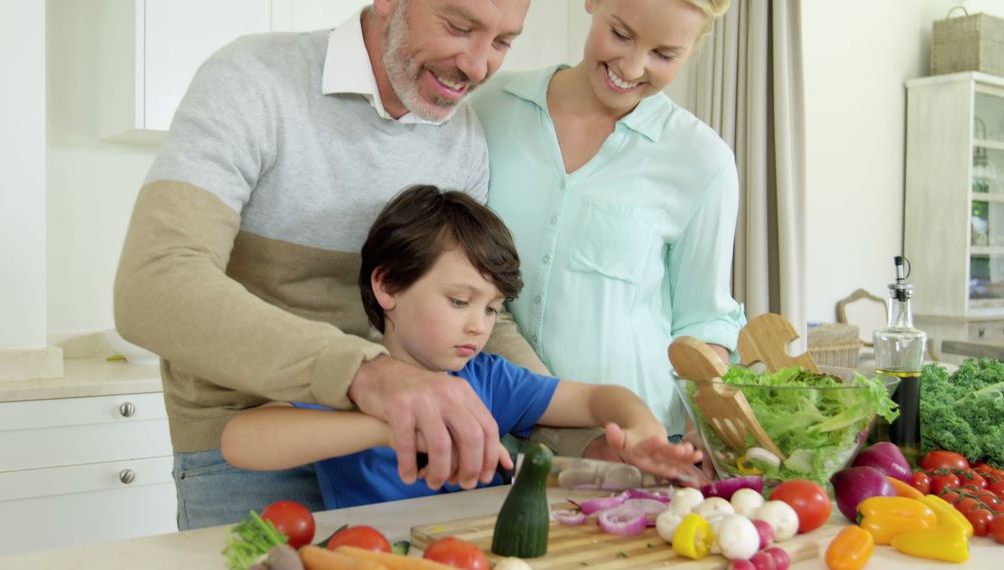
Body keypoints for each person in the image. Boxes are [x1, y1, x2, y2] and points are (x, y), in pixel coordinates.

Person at [112, 0, 614, 530]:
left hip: (399, 448)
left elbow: (484, 312)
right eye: (459, 26)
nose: (477, 66)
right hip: (250, 451)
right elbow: (154, 284)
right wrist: (367, 374)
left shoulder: (459, 136)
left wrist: (589, 442)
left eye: (502, 42)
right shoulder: (253, 79)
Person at [221, 185, 704, 509]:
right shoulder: (356, 378)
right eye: (459, 301)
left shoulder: (489, 378)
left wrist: (642, 430)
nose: (479, 326)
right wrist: (385, 429)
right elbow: (240, 440)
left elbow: (601, 398)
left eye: (492, 308)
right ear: (388, 287)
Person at [469, 0, 744, 444]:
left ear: (692, 51)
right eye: (620, 34)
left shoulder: (703, 162)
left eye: (664, 55)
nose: (632, 67)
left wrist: (703, 426)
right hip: (494, 436)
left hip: (636, 446)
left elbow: (702, 320)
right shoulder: (487, 109)